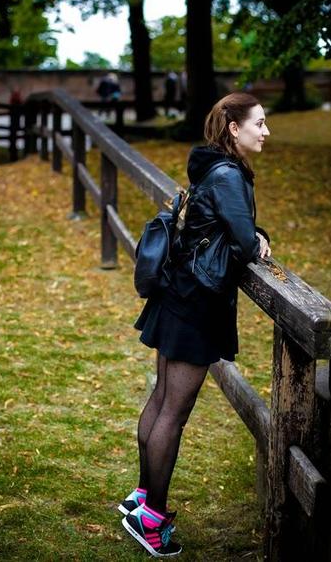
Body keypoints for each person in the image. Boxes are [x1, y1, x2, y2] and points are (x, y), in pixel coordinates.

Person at [120, 92, 271, 557]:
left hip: (180, 293)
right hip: (197, 303)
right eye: (259, 123)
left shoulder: (214, 166)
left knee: (161, 399)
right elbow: (245, 241)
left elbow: (231, 229)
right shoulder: (229, 175)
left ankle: (143, 498)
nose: (266, 132)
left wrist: (254, 233)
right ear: (233, 128)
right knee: (173, 410)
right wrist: (260, 237)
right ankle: (150, 520)